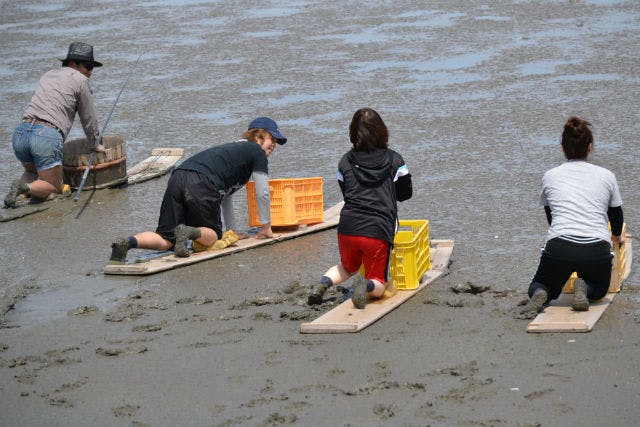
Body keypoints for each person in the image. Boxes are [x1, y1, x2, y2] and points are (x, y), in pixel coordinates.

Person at [108, 117, 287, 264]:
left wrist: (232, 230)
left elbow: (226, 197)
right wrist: (266, 227)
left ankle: (127, 243)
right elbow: (262, 191)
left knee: (167, 239)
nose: (273, 147)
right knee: (214, 236)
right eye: (272, 141)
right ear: (257, 137)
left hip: (178, 176)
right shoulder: (256, 152)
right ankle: (188, 232)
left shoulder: (232, 151)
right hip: (202, 182)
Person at [519, 116, 624, 319]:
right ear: (590, 147)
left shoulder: (550, 175)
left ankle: (542, 294)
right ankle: (585, 287)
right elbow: (616, 215)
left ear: (563, 148)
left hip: (559, 246)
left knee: (539, 284)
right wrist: (617, 236)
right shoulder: (607, 176)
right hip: (596, 248)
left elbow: (552, 216)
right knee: (601, 288)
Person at [308, 108, 412, 308]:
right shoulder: (394, 159)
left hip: (347, 226)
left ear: (353, 133)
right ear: (382, 131)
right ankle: (365, 285)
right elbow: (405, 193)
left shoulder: (345, 161)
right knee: (379, 282)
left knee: (347, 267)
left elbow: (346, 192)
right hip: (377, 229)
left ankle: (323, 283)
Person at [4, 42, 106, 208]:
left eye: (92, 68)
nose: (90, 72)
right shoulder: (81, 81)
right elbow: (88, 117)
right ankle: (24, 187)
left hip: (21, 132)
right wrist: (95, 143)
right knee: (54, 186)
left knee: (32, 171)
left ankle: (16, 197)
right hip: (46, 135)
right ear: (73, 64)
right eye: (87, 66)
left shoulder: (48, 74)